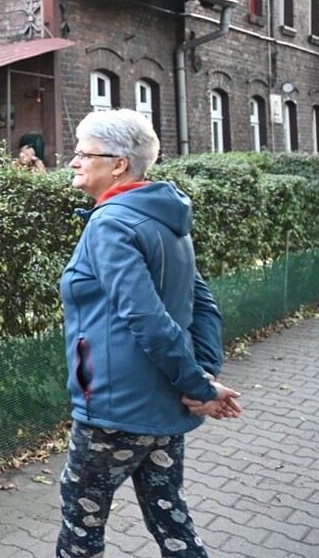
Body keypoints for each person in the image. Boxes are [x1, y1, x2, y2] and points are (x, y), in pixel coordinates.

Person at [57, 109, 242, 558]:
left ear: (118, 163)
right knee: (169, 516)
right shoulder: (164, 215)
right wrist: (201, 380)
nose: (73, 162)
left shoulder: (111, 224)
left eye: (83, 153)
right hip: (163, 407)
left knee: (81, 524)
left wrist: (200, 385)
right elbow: (203, 305)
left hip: (116, 407)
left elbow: (147, 319)